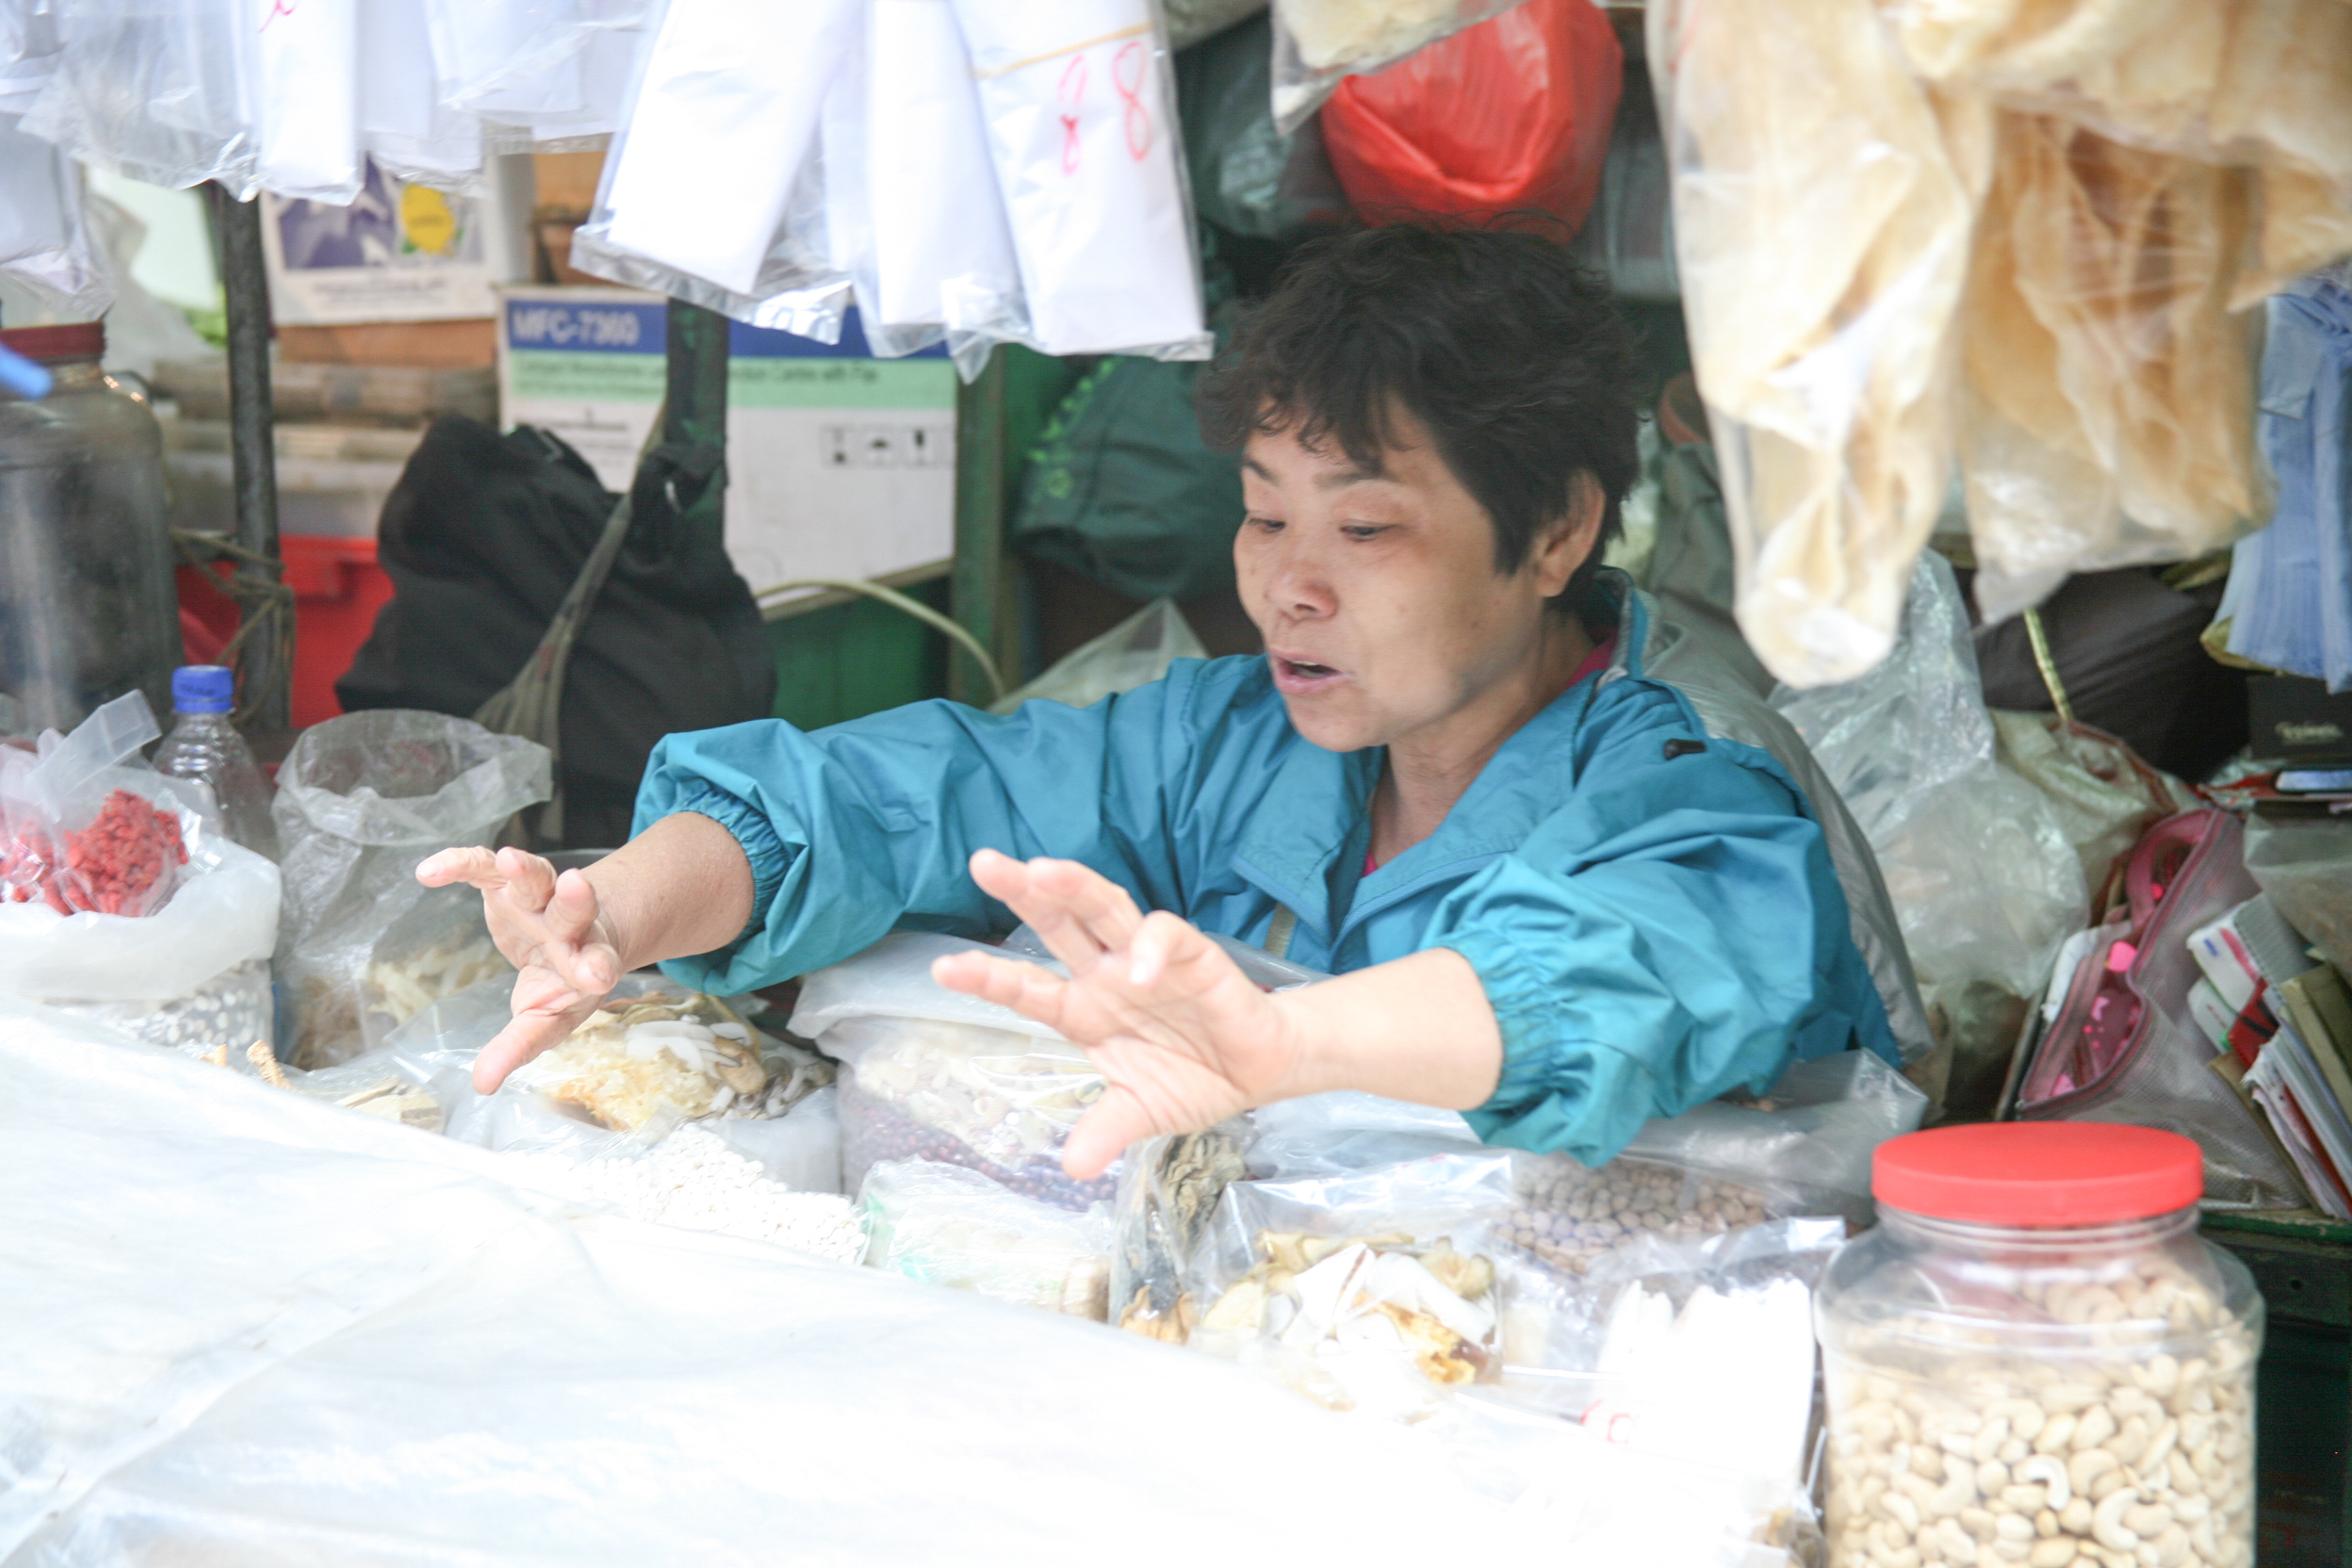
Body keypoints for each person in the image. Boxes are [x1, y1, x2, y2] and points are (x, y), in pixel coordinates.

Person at [421, 225, 1928, 1182]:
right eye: (1267, 516)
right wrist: (618, 906)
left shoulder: (1696, 780)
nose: (1289, 586)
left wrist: (1289, 1047)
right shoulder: (1229, 741)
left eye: (1367, 526)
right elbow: (916, 797)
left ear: (1554, 536)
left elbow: (1619, 973)